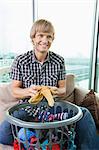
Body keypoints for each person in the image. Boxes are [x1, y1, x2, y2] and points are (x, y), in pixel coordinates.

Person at [0, 19, 98, 149]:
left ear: (52, 39)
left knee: (84, 113)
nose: (45, 40)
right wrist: (29, 91)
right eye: (41, 35)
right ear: (33, 38)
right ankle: (39, 133)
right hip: (27, 107)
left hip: (52, 107)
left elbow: (62, 89)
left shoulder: (59, 61)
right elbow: (15, 91)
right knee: (4, 136)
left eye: (49, 37)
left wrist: (55, 90)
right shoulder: (20, 60)